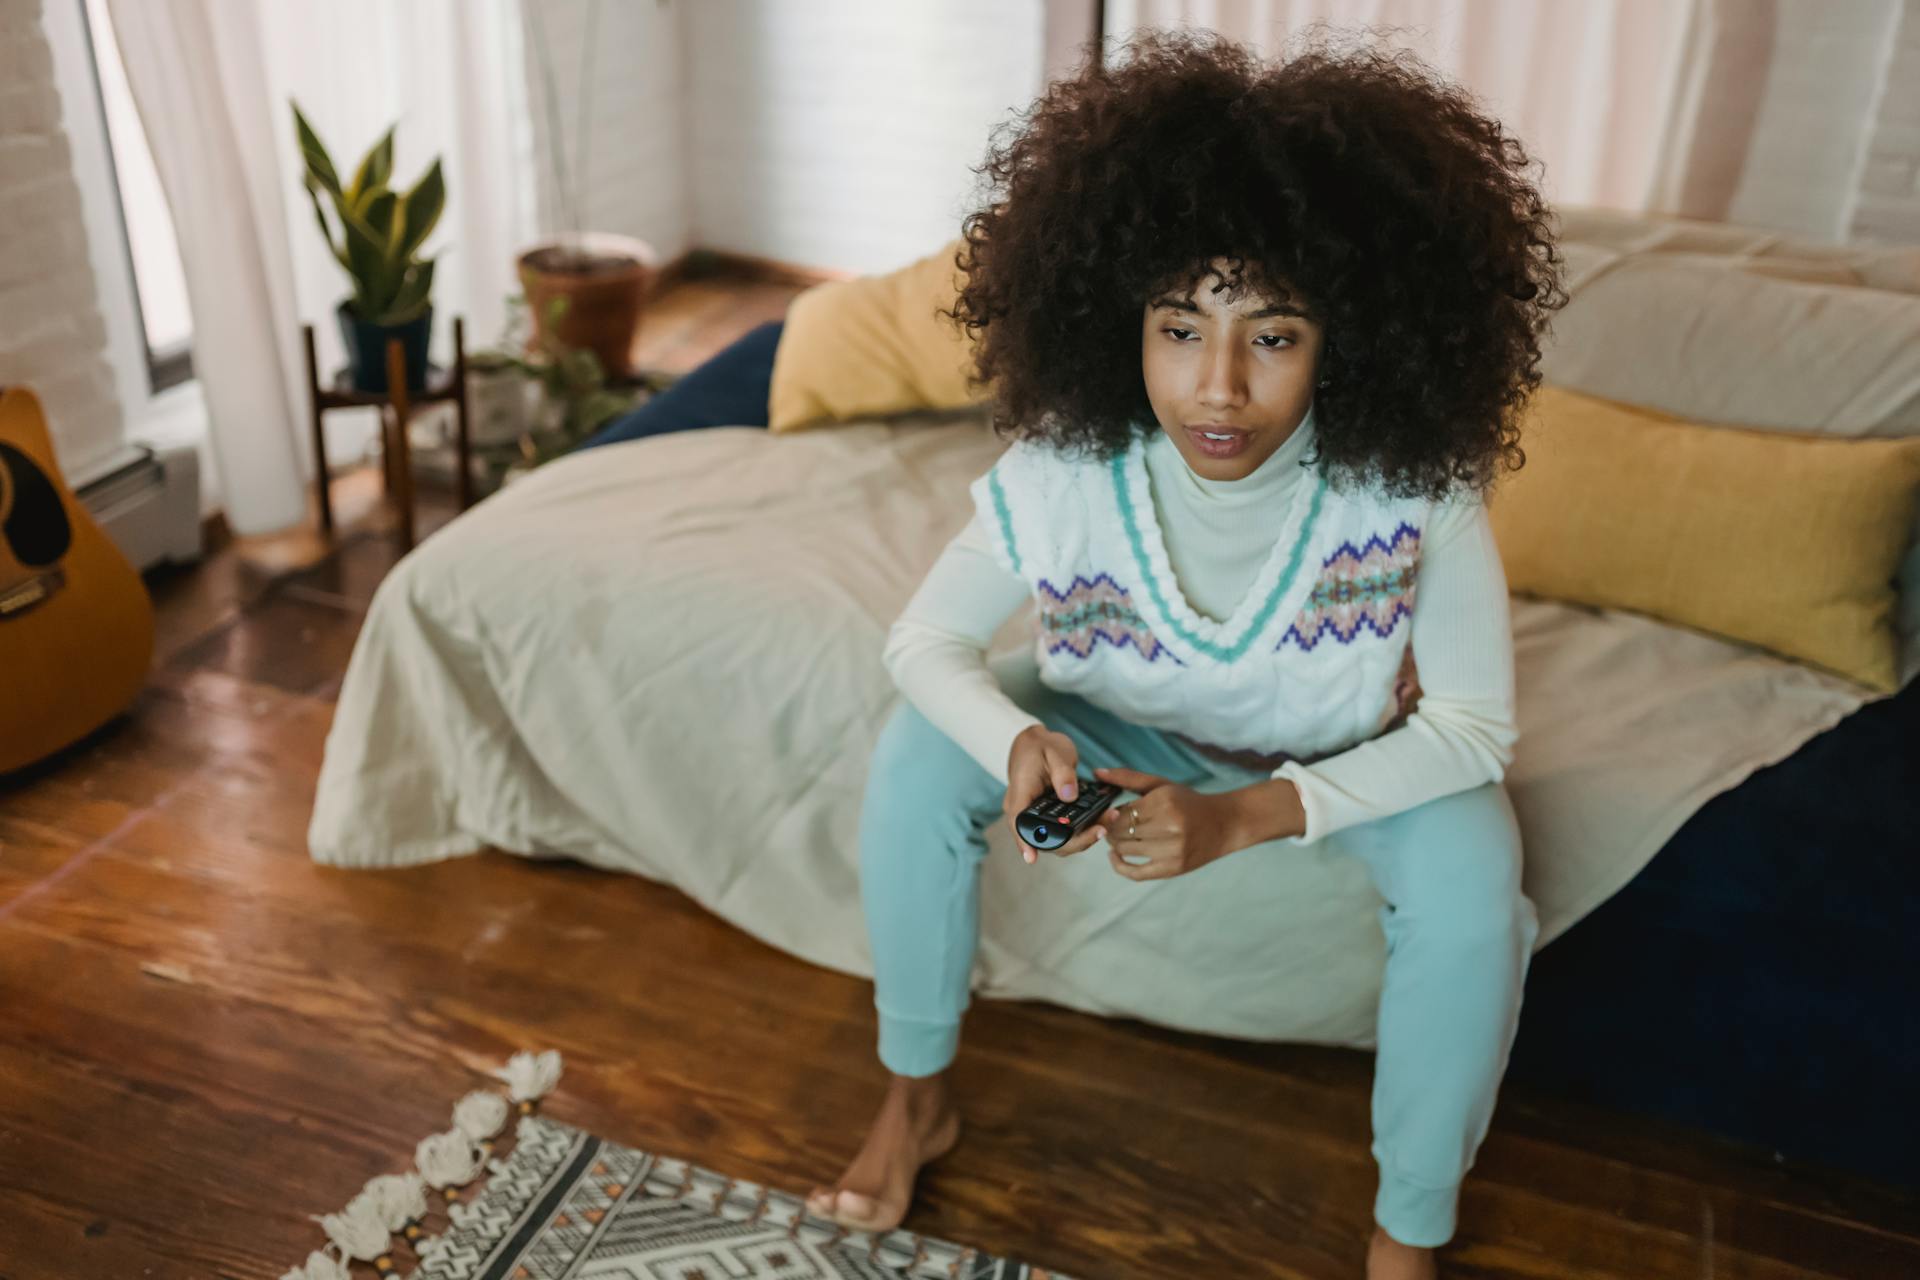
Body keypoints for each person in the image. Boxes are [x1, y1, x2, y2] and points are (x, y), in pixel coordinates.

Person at [805, 26, 1568, 1280]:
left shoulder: (1412, 488)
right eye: (1179, 326)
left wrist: (1247, 816)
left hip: (1337, 747)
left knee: (1478, 882)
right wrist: (1019, 736)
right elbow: (925, 639)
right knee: (915, 756)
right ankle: (913, 1096)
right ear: (1122, 321)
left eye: (1272, 334)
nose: (1217, 386)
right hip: (1109, 714)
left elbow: (1473, 728)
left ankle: (1407, 1226)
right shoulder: (1064, 468)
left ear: (1349, 338)